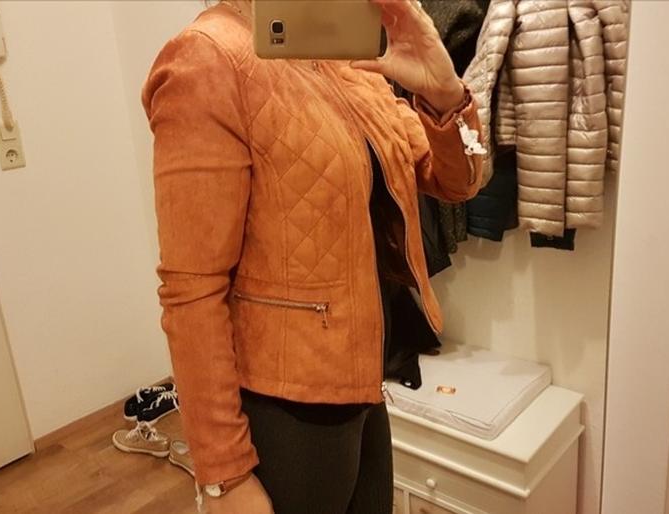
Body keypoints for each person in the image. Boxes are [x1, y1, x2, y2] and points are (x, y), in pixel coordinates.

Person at [140, 0, 484, 512]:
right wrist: (223, 476)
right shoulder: (207, 58)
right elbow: (191, 289)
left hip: (365, 381)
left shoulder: (341, 54)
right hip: (285, 412)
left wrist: (444, 93)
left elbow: (459, 182)